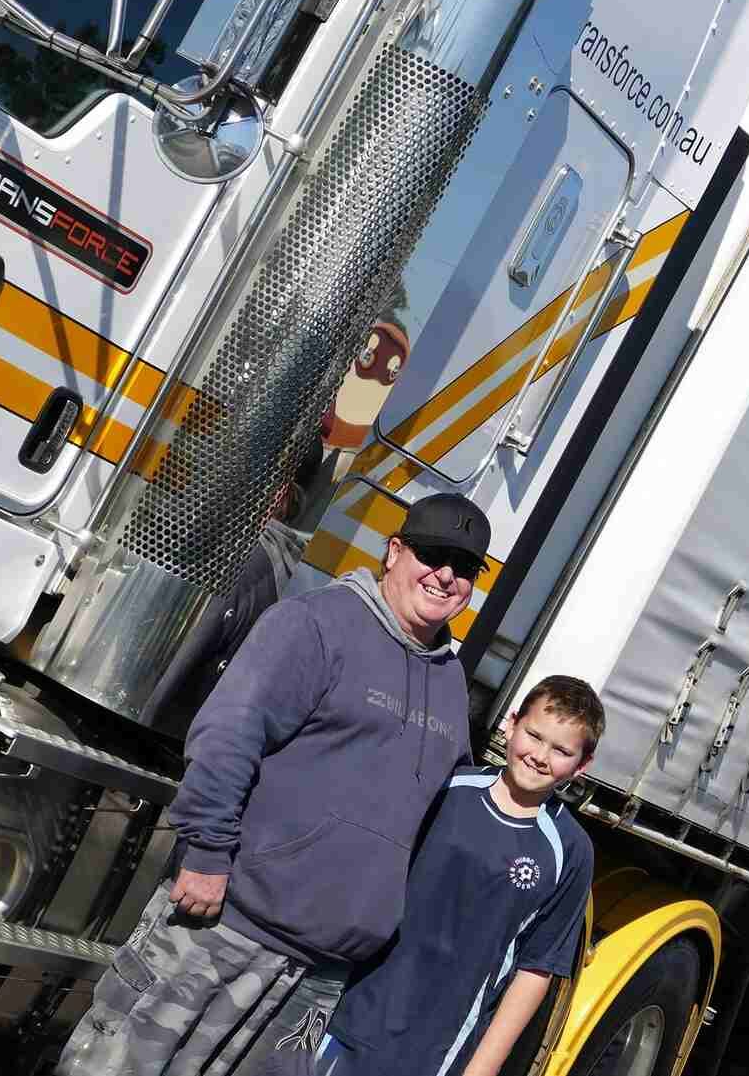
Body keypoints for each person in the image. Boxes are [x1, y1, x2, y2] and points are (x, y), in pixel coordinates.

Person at [57, 492, 492, 1076]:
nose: (445, 576)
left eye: (463, 568)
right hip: (225, 925)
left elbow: (442, 812)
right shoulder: (316, 623)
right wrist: (208, 852)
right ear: (394, 552)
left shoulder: (449, 683)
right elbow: (228, 734)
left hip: (320, 971)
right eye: (433, 555)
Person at [303, 675, 602, 1076]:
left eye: (561, 750)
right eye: (534, 735)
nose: (540, 755)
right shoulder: (449, 787)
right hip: (355, 1008)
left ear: (581, 766)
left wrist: (483, 1068)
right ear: (511, 725)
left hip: (440, 1047)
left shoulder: (570, 851)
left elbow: (536, 969)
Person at [140, 441, 325, 738]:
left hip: (153, 731)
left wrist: (141, 723)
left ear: (280, 494)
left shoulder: (242, 556)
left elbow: (180, 661)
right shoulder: (288, 564)